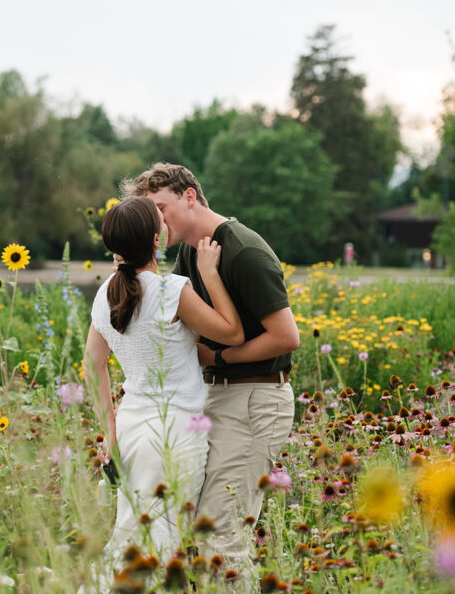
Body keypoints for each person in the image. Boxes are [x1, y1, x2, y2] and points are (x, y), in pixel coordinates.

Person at [125, 163, 299, 565]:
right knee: (191, 524)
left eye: (160, 207)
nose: (156, 221)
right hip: (213, 397)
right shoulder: (189, 251)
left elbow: (286, 337)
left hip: (256, 398)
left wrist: (219, 356)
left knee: (221, 532)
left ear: (189, 196)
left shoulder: (243, 250)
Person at [84, 196, 244, 564]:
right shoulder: (172, 291)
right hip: (175, 434)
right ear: (155, 241)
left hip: (129, 427)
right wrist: (210, 275)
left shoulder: (103, 293)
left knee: (131, 532)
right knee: (162, 541)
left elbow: (93, 365)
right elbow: (232, 333)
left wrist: (109, 430)